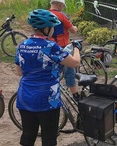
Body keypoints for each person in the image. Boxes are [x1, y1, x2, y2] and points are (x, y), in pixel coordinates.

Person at [14, 9, 81, 146]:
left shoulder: (22, 45)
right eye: (52, 27)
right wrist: (77, 49)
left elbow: (19, 72)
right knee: (49, 138)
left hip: (25, 96)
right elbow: (75, 63)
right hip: (47, 98)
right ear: (46, 29)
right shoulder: (51, 46)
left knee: (28, 135)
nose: (53, 30)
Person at [49, 0, 79, 100]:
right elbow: (72, 30)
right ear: (59, 5)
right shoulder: (61, 15)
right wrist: (75, 28)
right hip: (61, 46)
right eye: (62, 6)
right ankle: (75, 94)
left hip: (49, 45)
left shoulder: (46, 14)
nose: (62, 8)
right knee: (70, 68)